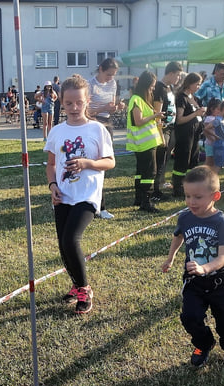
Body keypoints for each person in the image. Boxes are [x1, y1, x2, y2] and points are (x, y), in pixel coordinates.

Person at [45, 74, 115, 314]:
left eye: (79, 103)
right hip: (63, 194)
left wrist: (87, 163)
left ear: (88, 101)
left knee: (70, 239)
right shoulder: (56, 131)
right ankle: (76, 285)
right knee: (62, 246)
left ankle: (84, 289)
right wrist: (52, 185)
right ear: (61, 103)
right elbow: (51, 164)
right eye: (68, 103)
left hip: (86, 196)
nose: (74, 108)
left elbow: (110, 162)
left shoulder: (97, 129)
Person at [161, 166, 224, 368]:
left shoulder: (223, 223)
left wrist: (205, 268)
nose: (191, 202)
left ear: (215, 196)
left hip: (220, 280)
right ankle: (203, 344)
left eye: (197, 197)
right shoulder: (185, 217)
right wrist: (170, 258)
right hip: (193, 280)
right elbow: (178, 236)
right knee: (190, 316)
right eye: (187, 196)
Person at [87, 57, 123, 219]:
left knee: (104, 164)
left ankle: (99, 206)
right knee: (94, 165)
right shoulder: (90, 85)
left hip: (107, 123)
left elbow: (111, 108)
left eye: (113, 75)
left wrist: (116, 108)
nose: (111, 78)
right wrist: (103, 107)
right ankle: (96, 206)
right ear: (100, 69)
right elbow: (86, 112)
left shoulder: (113, 84)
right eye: (109, 74)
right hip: (93, 123)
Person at [126, 70, 165, 212]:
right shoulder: (136, 99)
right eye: (152, 85)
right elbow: (138, 121)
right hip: (144, 143)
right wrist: (155, 115)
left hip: (145, 142)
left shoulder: (141, 99)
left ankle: (139, 198)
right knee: (149, 172)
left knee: (141, 171)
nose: (153, 88)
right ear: (146, 84)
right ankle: (146, 202)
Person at [171, 72, 207, 197]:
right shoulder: (181, 97)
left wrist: (201, 112)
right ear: (190, 83)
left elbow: (196, 113)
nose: (199, 86)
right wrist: (195, 114)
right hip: (185, 134)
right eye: (197, 84)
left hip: (195, 133)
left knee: (193, 159)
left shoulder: (194, 97)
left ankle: (191, 185)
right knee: (182, 160)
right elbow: (179, 119)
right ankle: (178, 187)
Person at [151, 61, 183, 201]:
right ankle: (155, 189)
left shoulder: (170, 88)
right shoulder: (159, 87)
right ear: (170, 73)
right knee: (159, 158)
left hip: (170, 127)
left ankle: (160, 183)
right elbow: (157, 111)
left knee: (165, 158)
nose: (178, 78)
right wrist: (160, 131)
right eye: (177, 75)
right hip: (162, 128)